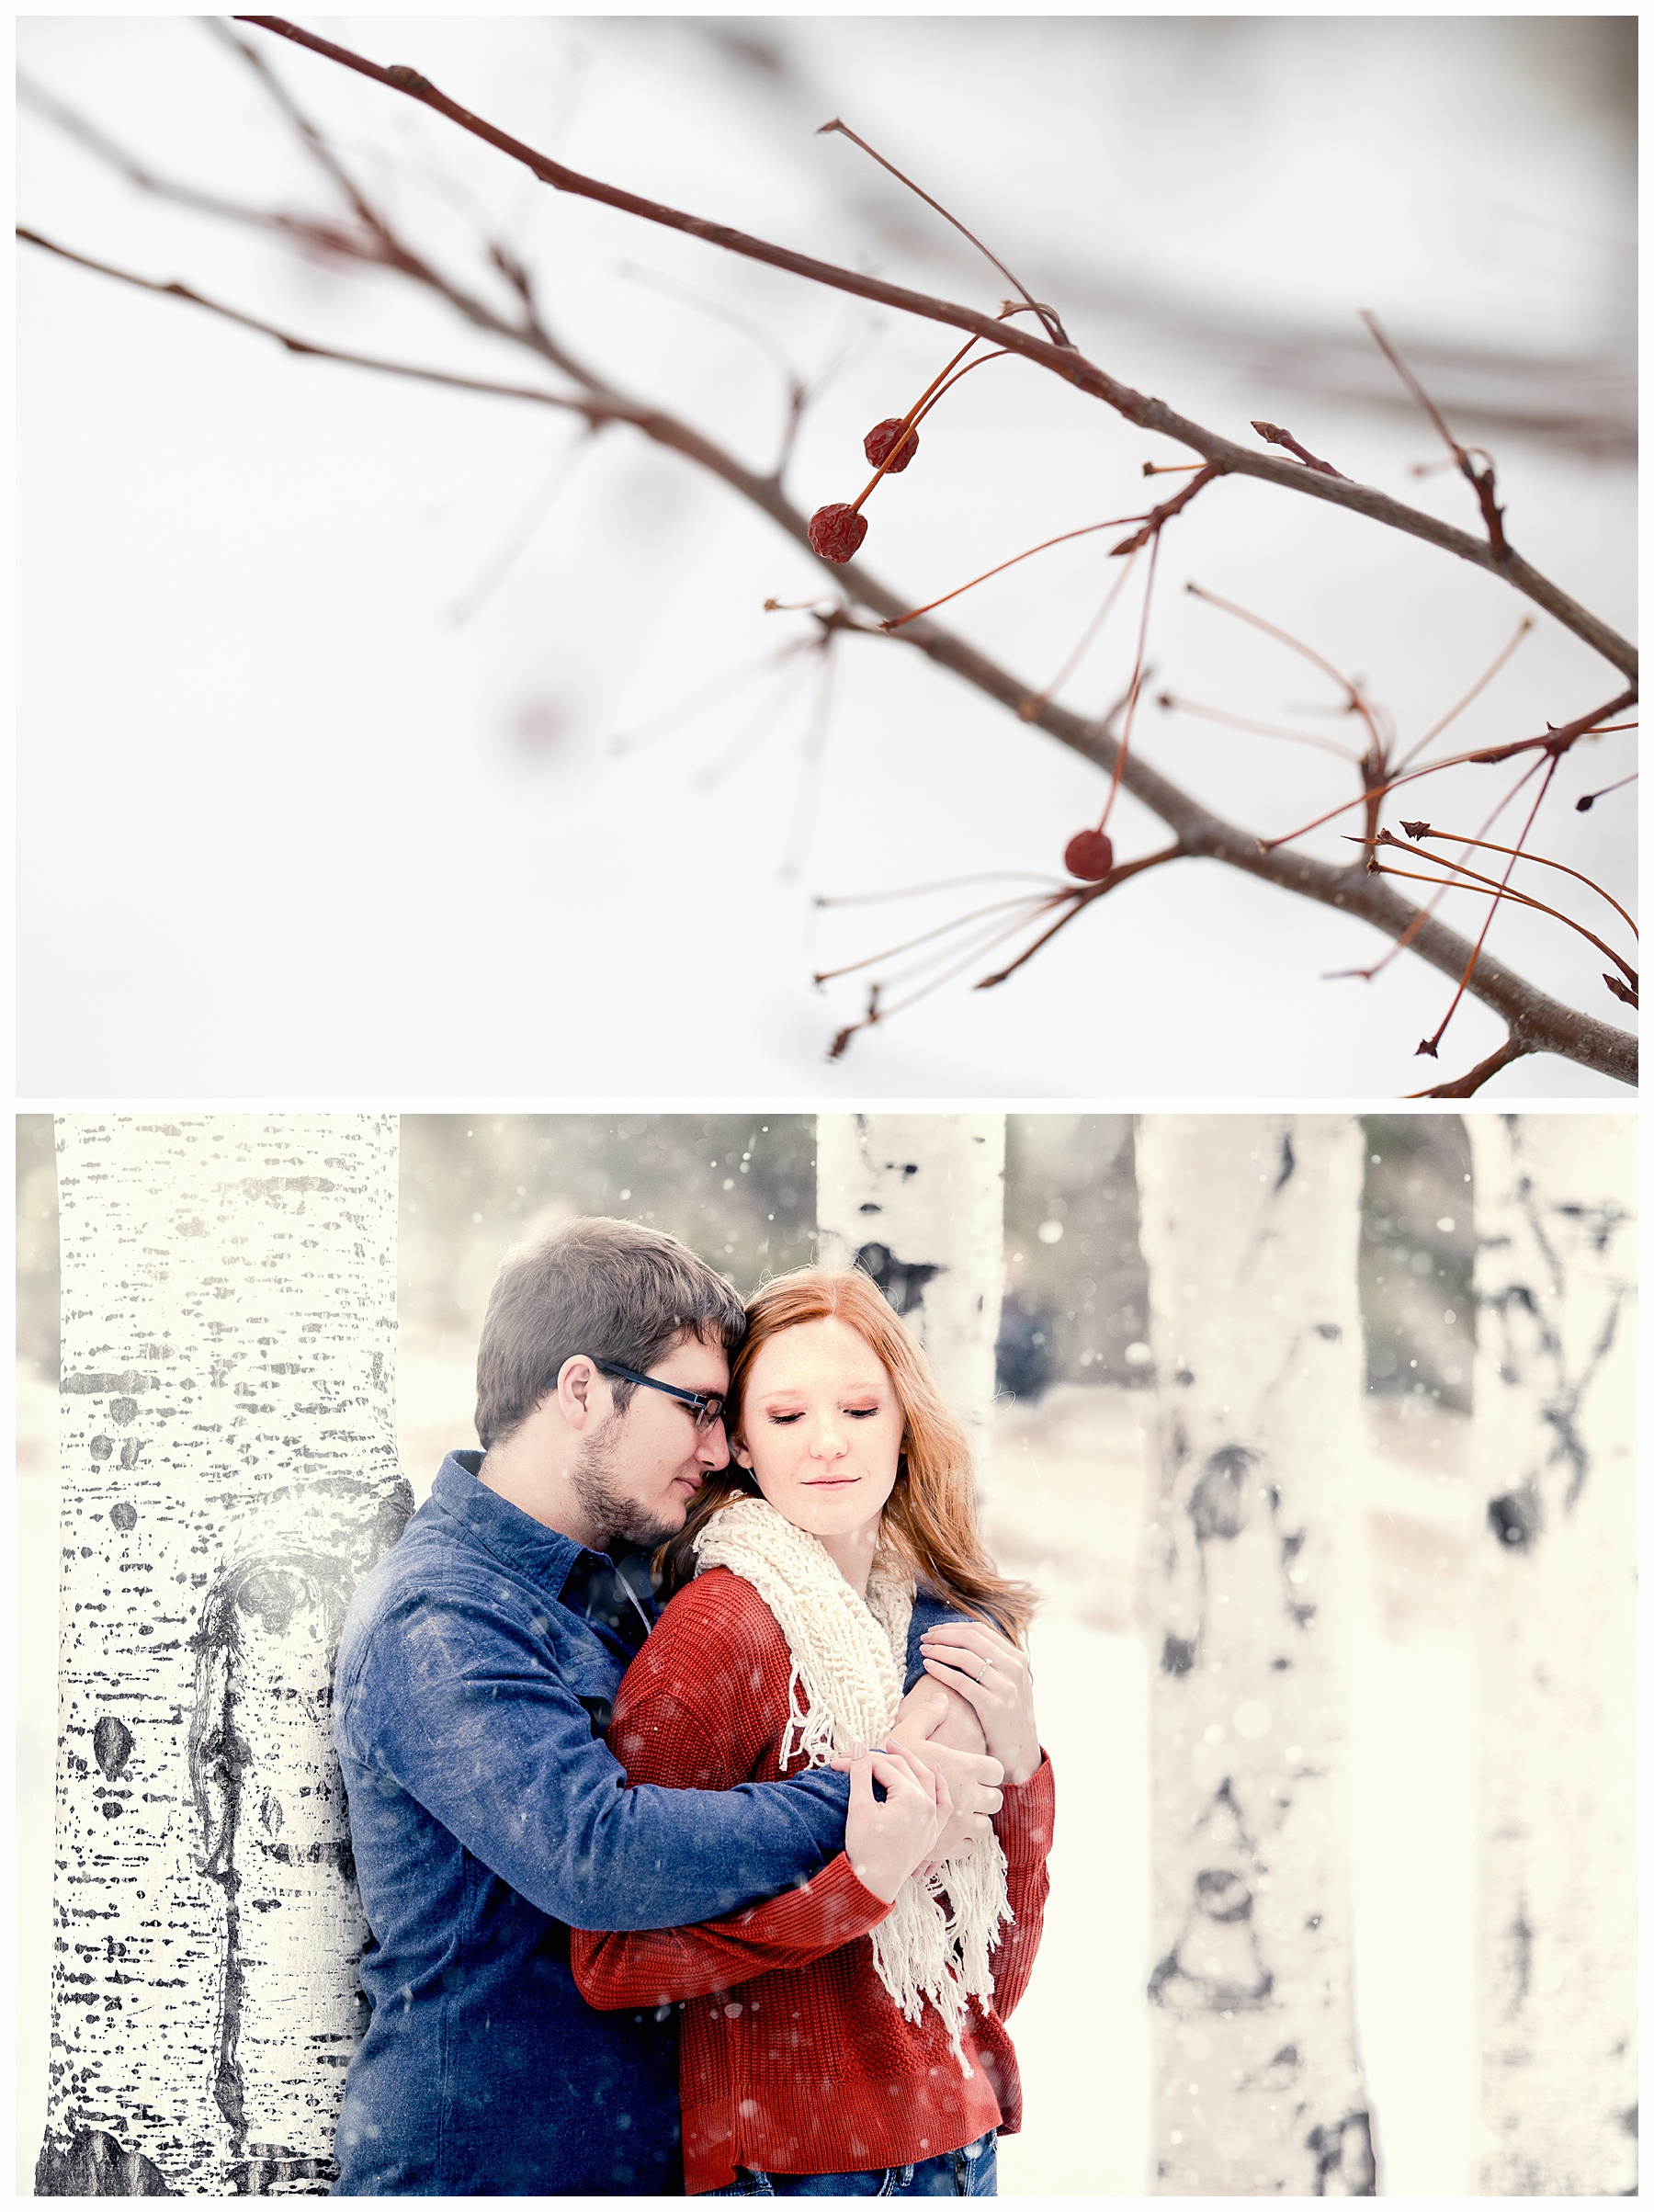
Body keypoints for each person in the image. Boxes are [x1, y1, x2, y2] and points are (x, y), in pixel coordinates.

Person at [329, 1220, 1003, 2195]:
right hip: (492, 2171)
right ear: (579, 1390)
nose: (718, 1444)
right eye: (697, 1406)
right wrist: (878, 1790)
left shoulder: (627, 1580)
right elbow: (596, 1852)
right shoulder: (441, 1612)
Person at [571, 1267, 1055, 2197]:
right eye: (787, 1417)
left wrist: (1023, 1766)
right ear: (740, 1444)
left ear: (905, 1423)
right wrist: (858, 1884)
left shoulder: (917, 1624)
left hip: (959, 2148)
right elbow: (612, 1959)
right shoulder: (720, 1633)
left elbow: (983, 1982)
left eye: (861, 1409)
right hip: (802, 2170)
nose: (829, 1444)